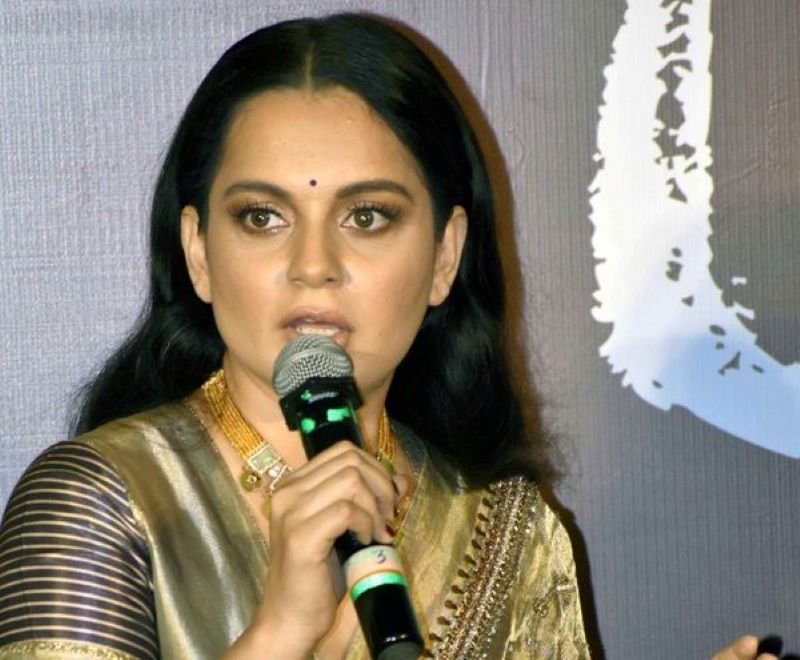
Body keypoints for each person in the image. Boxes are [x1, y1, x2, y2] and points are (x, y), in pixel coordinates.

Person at [0, 13, 772, 660]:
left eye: (366, 216)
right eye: (263, 217)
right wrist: (279, 633)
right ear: (199, 254)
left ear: (445, 257)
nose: (313, 266)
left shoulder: (512, 535)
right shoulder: (97, 506)